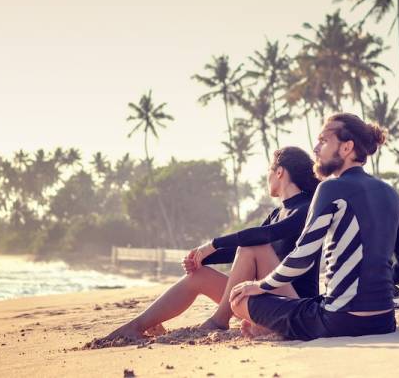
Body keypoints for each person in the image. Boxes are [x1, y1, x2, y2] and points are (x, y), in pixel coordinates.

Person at [229, 113, 399, 341]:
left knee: (240, 300)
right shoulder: (391, 194)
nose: (316, 148)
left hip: (338, 320)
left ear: (347, 147)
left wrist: (260, 286)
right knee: (309, 304)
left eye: (324, 140)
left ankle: (274, 327)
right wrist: (372, 288)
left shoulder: (331, 189)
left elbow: (302, 258)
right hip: (384, 321)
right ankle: (273, 327)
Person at [103, 146, 321, 340]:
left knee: (254, 244)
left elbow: (264, 236)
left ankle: (219, 321)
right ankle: (137, 326)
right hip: (268, 298)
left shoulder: (306, 208)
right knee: (199, 275)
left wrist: (213, 244)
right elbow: (240, 251)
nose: (267, 177)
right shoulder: (276, 212)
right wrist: (201, 257)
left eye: (268, 172)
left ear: (279, 171)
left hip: (296, 304)